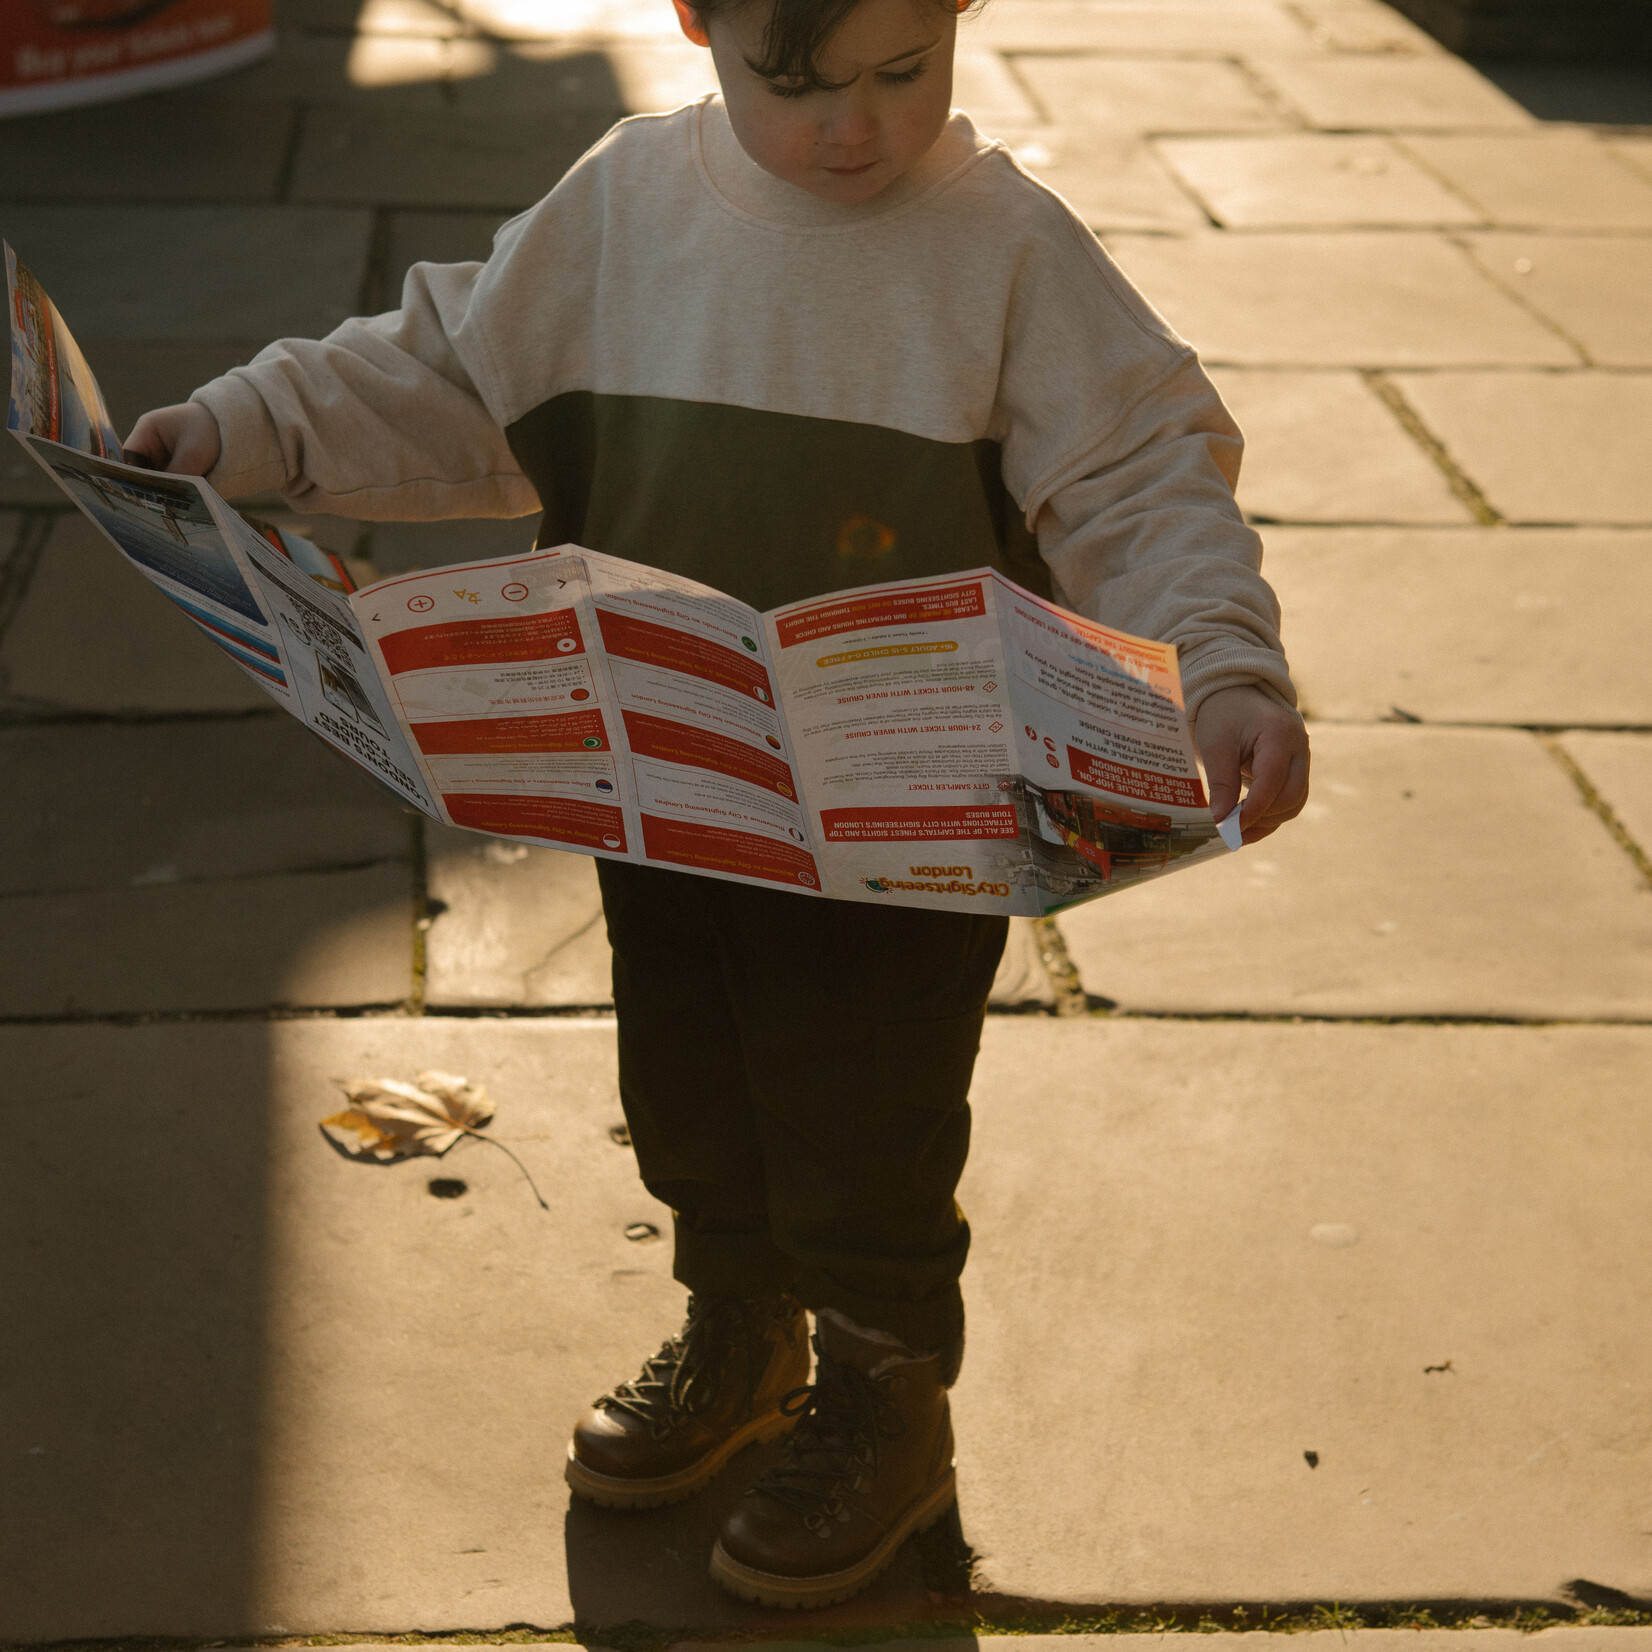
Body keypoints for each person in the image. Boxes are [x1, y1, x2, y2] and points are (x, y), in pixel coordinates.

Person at [127, 0, 1310, 1610]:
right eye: (794, 82)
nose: (854, 129)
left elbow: (1137, 469)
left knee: (868, 1109)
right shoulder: (625, 203)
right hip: (670, 790)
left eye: (903, 73)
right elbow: (446, 372)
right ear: (696, 17)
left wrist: (1224, 663)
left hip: (909, 828)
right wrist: (250, 425)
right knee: (689, 1075)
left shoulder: (1009, 249)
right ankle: (739, 1327)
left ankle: (888, 1391)